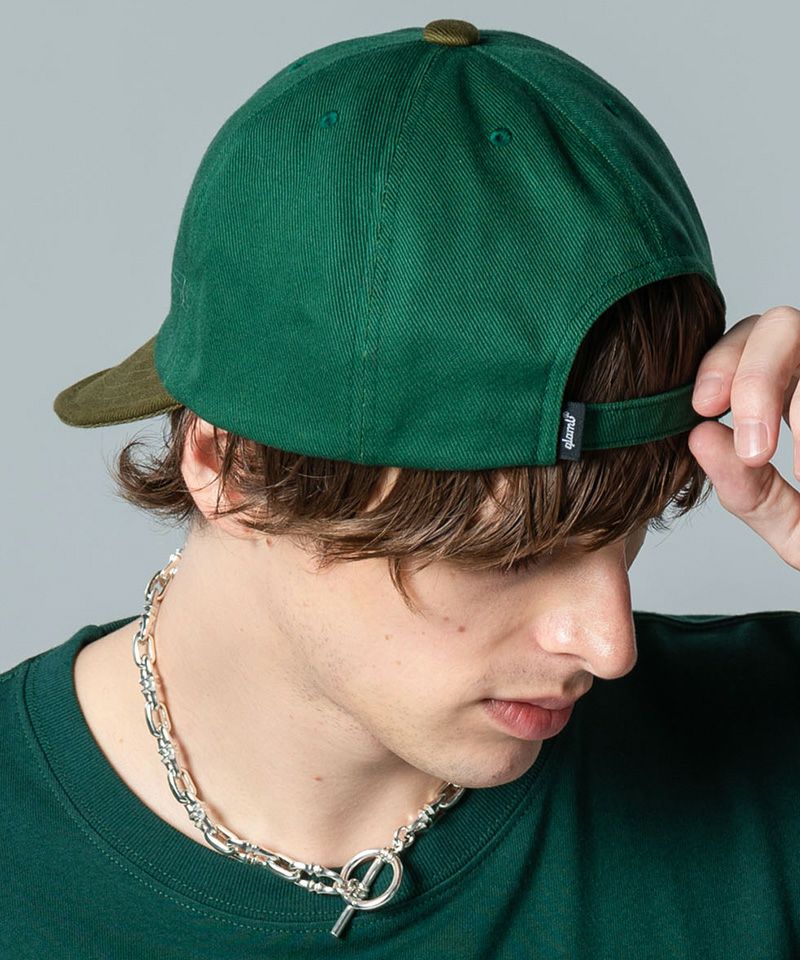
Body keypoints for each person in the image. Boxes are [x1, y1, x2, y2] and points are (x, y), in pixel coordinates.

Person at [2, 18, 799, 958]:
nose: (607, 644)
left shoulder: (768, 762)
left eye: (631, 530)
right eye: (512, 554)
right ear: (231, 468)